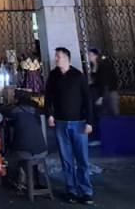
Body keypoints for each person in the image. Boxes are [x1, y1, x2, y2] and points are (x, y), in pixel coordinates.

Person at [45, 47, 94, 205]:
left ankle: (86, 191)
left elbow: (87, 100)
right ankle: (71, 189)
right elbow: (48, 96)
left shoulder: (78, 76)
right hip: (61, 123)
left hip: (78, 123)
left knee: (82, 159)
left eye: (58, 56)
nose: (56, 59)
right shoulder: (54, 75)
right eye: (56, 56)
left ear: (66, 58)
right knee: (66, 159)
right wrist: (49, 114)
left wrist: (89, 122)